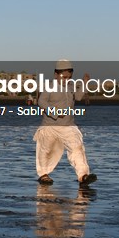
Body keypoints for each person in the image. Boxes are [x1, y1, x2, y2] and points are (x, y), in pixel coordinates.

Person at [34, 59, 97, 187]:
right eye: (63, 77)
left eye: (69, 77)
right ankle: (43, 175)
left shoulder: (71, 86)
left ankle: (83, 176)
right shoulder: (49, 86)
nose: (66, 79)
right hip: (49, 126)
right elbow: (41, 102)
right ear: (56, 74)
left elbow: (78, 97)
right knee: (45, 151)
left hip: (68, 125)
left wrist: (85, 83)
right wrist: (54, 112)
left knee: (77, 148)